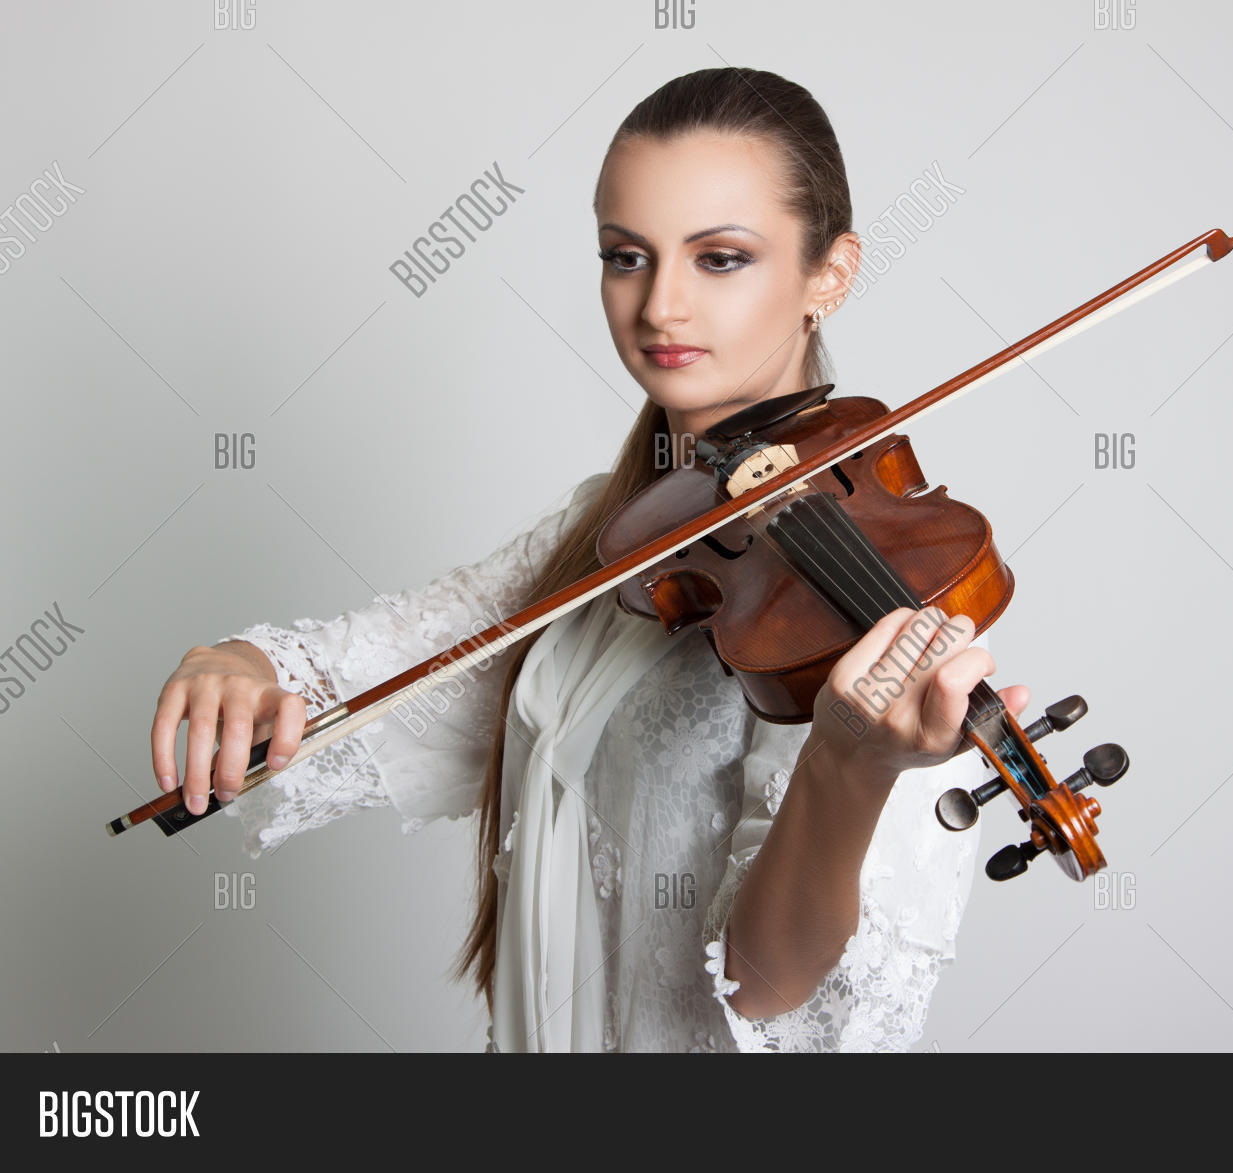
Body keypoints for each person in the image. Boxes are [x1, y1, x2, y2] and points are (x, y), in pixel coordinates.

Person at [150, 66, 1029, 1052]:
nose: (660, 307)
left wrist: (847, 765)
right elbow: (389, 669)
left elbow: (774, 985)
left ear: (829, 272)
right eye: (627, 257)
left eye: (721, 258)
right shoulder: (614, 533)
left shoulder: (882, 614)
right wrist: (244, 669)